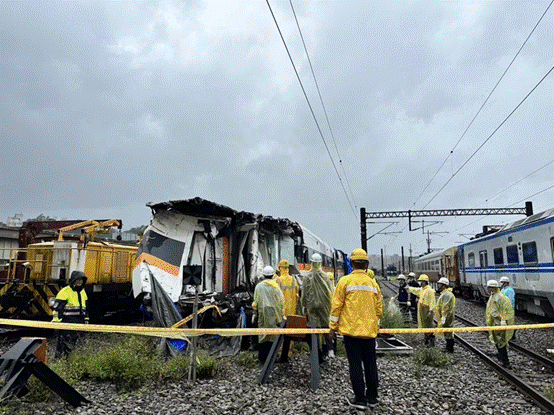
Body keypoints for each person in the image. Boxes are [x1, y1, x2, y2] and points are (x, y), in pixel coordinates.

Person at [330, 248, 383, 410]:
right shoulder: (373, 284)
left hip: (351, 333)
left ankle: (360, 399)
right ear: (367, 264)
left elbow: (336, 307)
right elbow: (379, 310)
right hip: (369, 333)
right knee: (370, 365)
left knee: (355, 366)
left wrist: (332, 328)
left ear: (352, 263)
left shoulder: (344, 282)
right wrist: (374, 324)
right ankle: (373, 397)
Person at [301, 253, 333, 361]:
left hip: (311, 305)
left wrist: (304, 306)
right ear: (320, 263)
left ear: (311, 263)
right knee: (325, 326)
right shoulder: (325, 276)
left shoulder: (307, 277)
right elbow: (330, 292)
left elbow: (304, 294)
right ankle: (329, 350)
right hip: (324, 305)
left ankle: (316, 353)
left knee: (314, 329)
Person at [252, 265, 285, 364]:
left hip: (262, 313)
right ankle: (272, 358)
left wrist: (254, 313)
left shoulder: (259, 286)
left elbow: (255, 302)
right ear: (272, 275)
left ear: (264, 275)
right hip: (274, 314)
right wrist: (282, 314)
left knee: (262, 334)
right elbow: (281, 301)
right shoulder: (276, 287)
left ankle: (262, 358)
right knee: (273, 334)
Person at [52, 271, 89, 358]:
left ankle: (70, 363)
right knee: (62, 346)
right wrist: (56, 323)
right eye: (78, 280)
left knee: (76, 346)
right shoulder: (65, 291)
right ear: (73, 280)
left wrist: (86, 321)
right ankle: (59, 362)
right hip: (67, 323)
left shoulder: (83, 292)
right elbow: (57, 309)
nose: (80, 282)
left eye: (81, 280)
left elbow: (85, 308)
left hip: (79, 323)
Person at [486, 279, 514, 368]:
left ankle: (505, 361)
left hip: (499, 323)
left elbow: (505, 309)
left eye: (489, 288)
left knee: (501, 342)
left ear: (492, 288)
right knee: (498, 342)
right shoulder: (493, 296)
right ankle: (502, 359)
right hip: (494, 323)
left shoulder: (500, 297)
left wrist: (503, 320)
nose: (488, 289)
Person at [275, 259, 299, 362]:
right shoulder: (294, 280)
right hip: (292, 309)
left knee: (281, 331)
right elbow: (297, 295)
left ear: (280, 268)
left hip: (282, 310)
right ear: (288, 268)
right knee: (290, 331)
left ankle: (280, 353)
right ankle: (289, 351)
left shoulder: (278, 280)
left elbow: (275, 296)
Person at [408, 274, 436, 346]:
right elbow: (416, 290)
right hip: (422, 310)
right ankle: (427, 340)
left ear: (425, 282)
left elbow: (432, 302)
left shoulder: (430, 291)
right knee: (424, 325)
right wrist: (409, 288)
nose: (420, 283)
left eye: (421, 281)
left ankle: (430, 340)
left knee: (429, 326)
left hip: (427, 310)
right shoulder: (422, 290)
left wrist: (431, 311)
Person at [434, 277, 456, 353]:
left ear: (444, 285)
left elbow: (445, 306)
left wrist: (443, 316)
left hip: (447, 316)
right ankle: (448, 347)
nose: (439, 286)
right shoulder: (445, 293)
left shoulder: (447, 294)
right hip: (446, 316)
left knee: (448, 331)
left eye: (440, 284)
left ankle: (450, 348)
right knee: (447, 332)